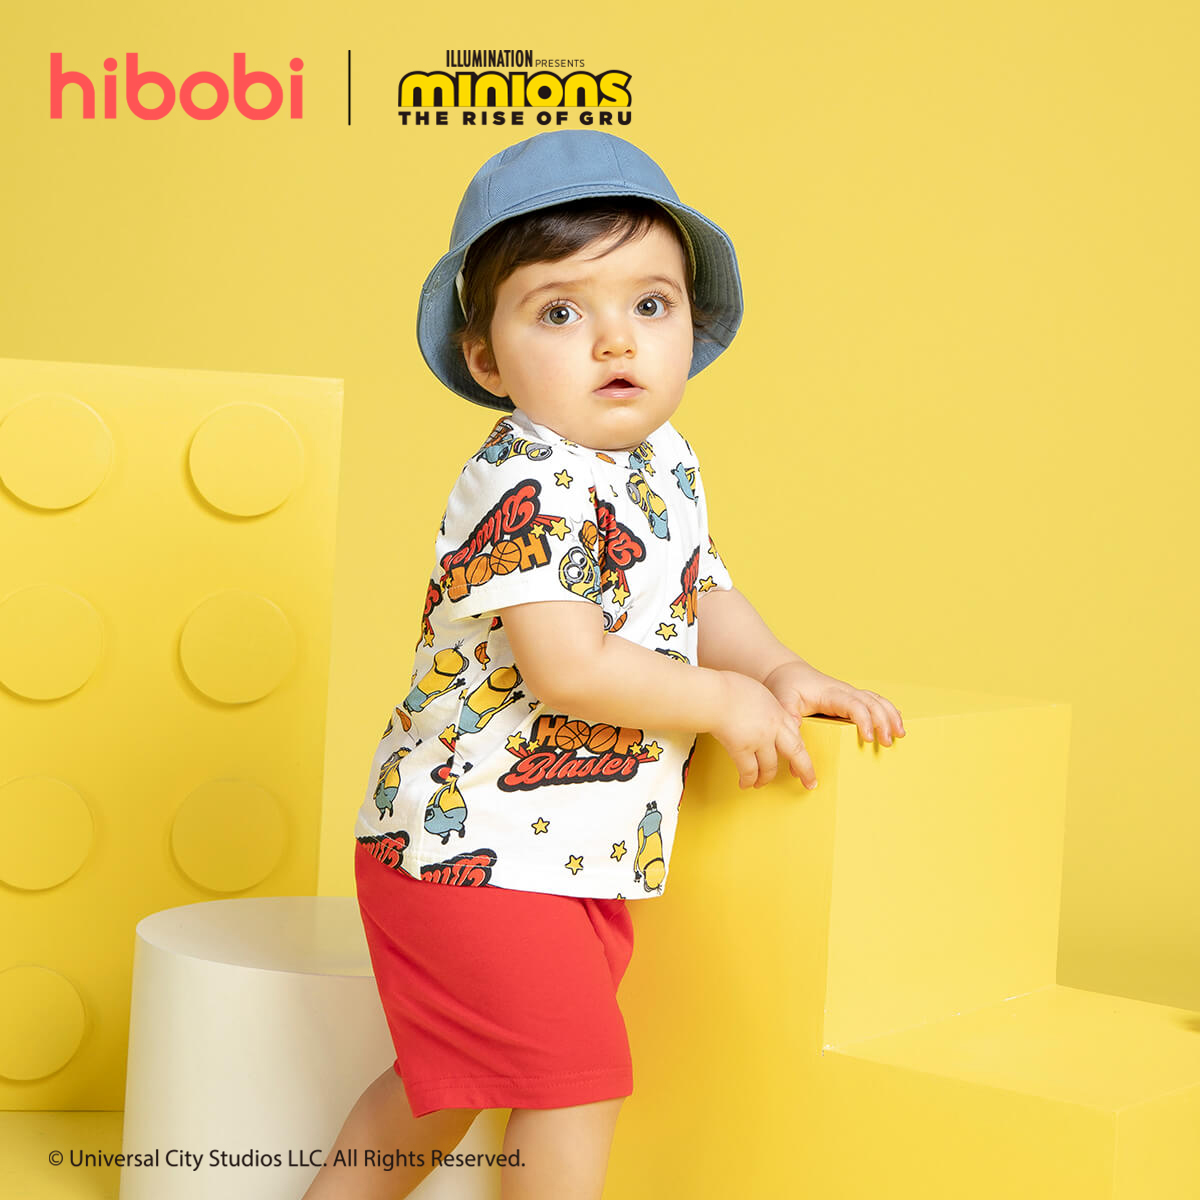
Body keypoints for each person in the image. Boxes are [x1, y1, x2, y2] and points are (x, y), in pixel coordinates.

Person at [301, 130, 904, 1200]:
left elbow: (699, 590)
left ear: (690, 327)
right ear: (487, 361)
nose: (615, 339)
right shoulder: (522, 480)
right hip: (474, 850)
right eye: (560, 313)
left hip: (573, 849)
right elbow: (566, 666)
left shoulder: (660, 461)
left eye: (650, 305)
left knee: (449, 1090)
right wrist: (718, 698)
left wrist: (777, 669)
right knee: (575, 1088)